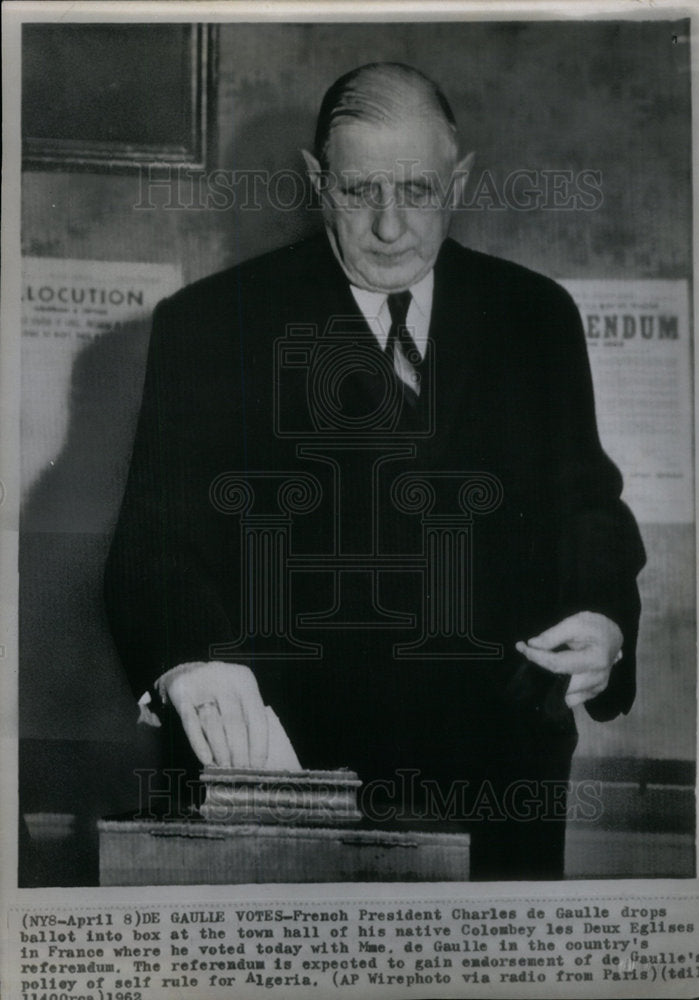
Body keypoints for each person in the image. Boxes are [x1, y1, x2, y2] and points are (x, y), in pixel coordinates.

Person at [104, 63, 646, 878]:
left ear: (458, 180)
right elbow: (153, 547)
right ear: (317, 181)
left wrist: (604, 617)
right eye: (359, 192)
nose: (391, 227)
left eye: (419, 190)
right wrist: (187, 663)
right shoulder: (213, 326)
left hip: (497, 766)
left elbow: (585, 505)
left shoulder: (534, 317)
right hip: (282, 770)